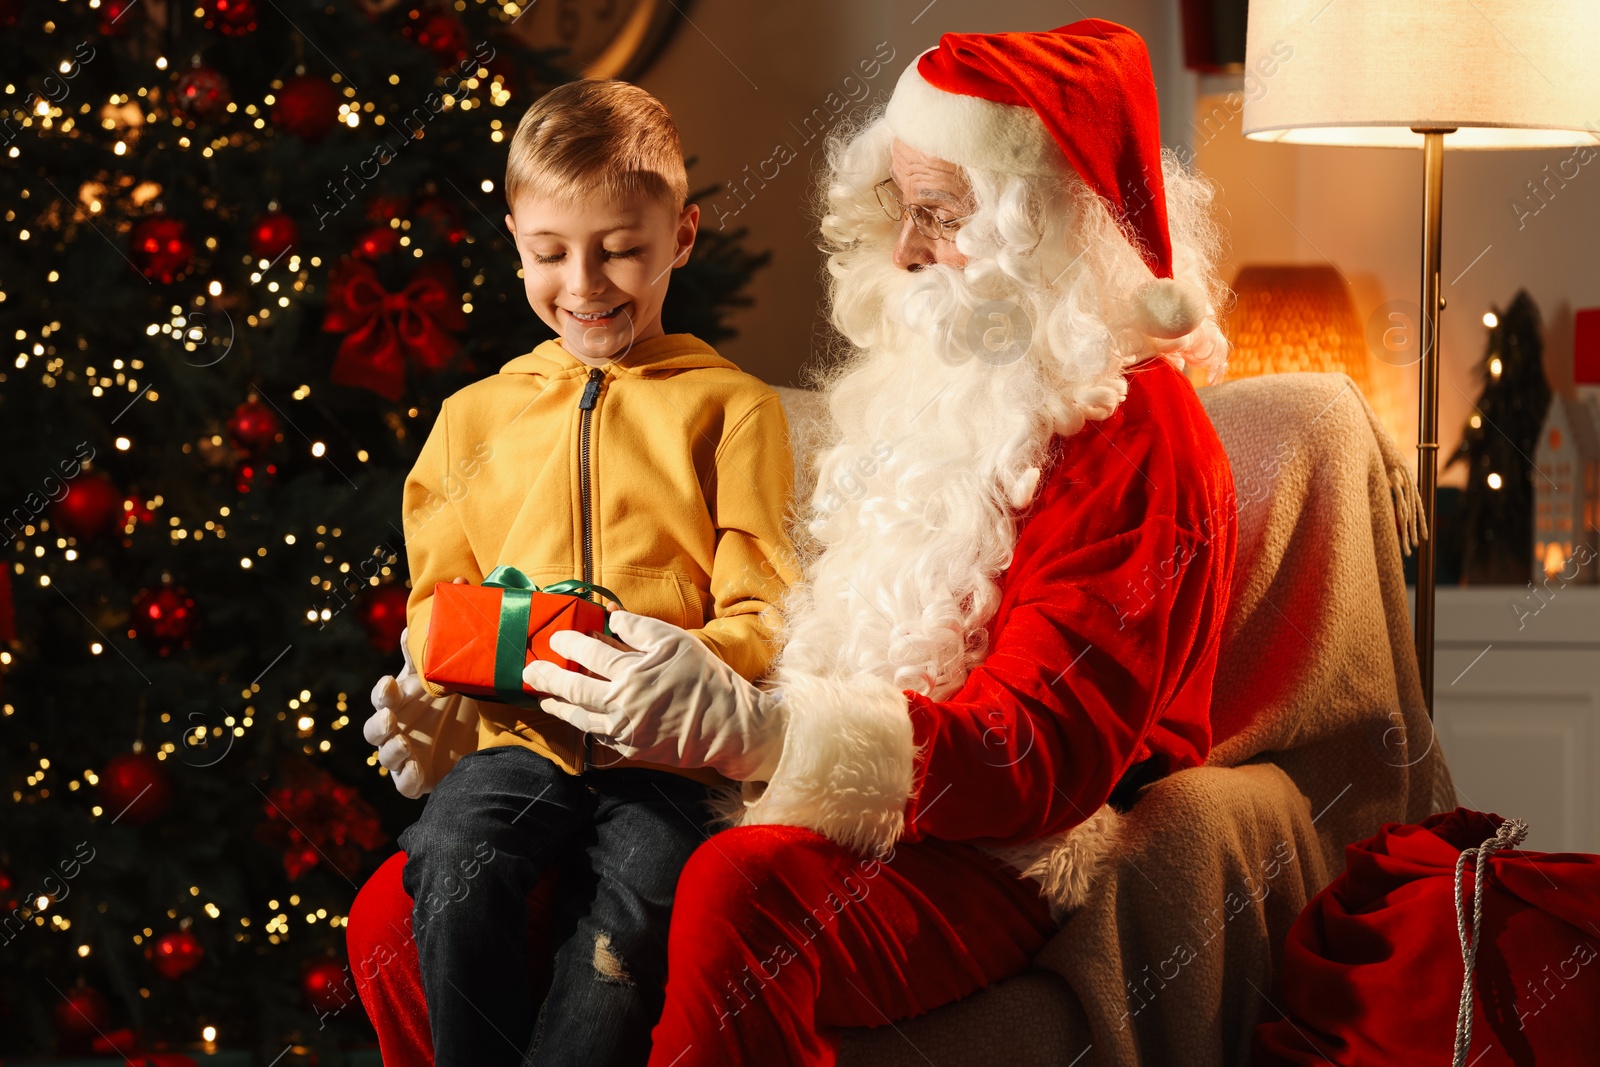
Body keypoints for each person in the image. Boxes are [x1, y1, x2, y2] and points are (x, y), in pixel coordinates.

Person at [348, 19, 1238, 1067]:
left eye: (941, 216)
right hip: (789, 793)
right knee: (394, 912)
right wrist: (462, 697)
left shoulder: (1137, 430)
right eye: (901, 211)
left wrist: (765, 735)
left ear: (1044, 225)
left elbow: (1040, 755)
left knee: (737, 886)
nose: (904, 250)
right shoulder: (925, 389)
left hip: (995, 843)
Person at [358, 79, 798, 1067]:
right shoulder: (471, 418)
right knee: (448, 864)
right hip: (518, 738)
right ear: (514, 235)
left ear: (682, 236)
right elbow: (434, 602)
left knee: (630, 926)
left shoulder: (733, 408)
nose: (585, 281)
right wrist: (442, 668)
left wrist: (675, 657)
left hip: (668, 760)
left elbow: (764, 602)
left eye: (622, 248)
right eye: (550, 252)